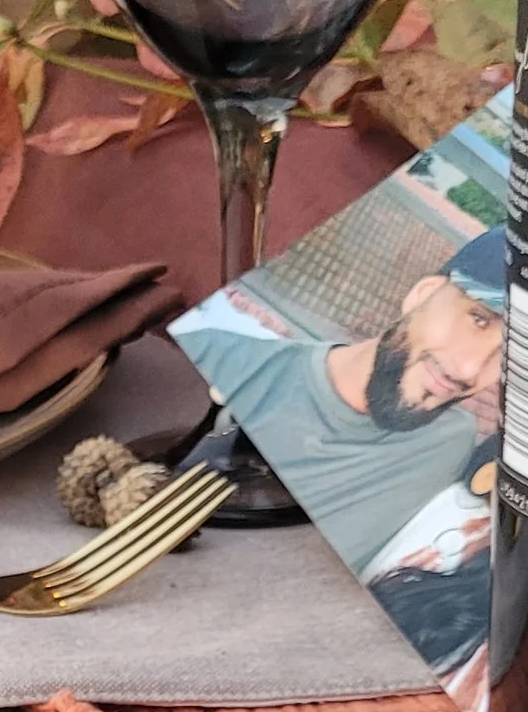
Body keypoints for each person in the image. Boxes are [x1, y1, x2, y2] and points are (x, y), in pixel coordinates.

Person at [206, 224, 508, 577]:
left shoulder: (453, 444)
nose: (470, 370)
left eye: (510, 354)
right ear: (422, 294)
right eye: (478, 318)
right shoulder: (239, 364)